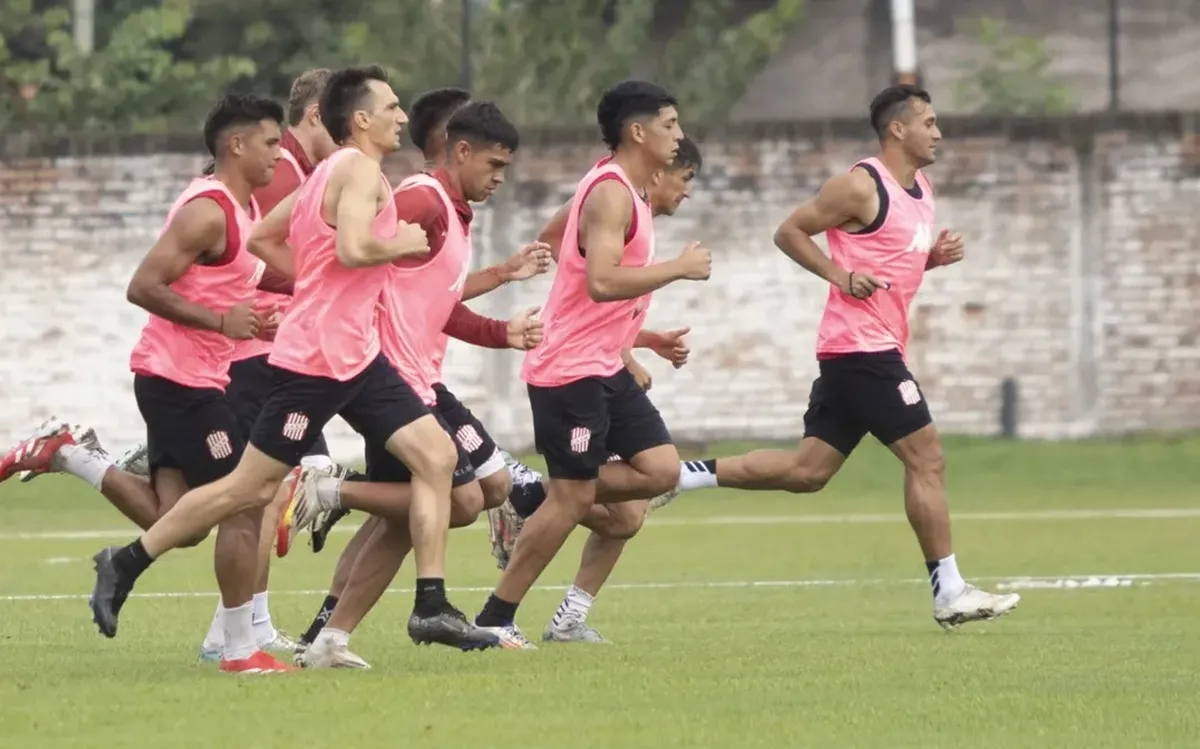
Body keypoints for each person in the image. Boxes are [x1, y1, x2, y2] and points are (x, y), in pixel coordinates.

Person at [85, 64, 499, 656]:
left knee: (436, 456)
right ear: (360, 119)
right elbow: (355, 248)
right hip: (318, 360)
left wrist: (320, 283)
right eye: (391, 107)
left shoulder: (329, 170)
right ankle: (124, 561)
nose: (402, 117)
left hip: (357, 355)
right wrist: (399, 245)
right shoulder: (355, 169)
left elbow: (264, 241)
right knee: (247, 489)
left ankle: (430, 604)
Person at [666, 84, 1020, 630]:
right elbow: (789, 232)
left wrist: (930, 261)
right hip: (863, 351)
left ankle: (680, 476)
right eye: (928, 122)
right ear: (897, 129)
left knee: (808, 471)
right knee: (926, 458)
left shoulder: (921, 188)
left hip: (862, 350)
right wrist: (839, 275)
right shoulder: (858, 185)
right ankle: (949, 591)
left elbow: (888, 265)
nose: (938, 132)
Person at [0, 93, 292, 672]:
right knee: (245, 501)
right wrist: (221, 321)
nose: (278, 156)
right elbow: (142, 285)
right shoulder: (209, 211)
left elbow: (236, 284)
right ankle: (235, 649)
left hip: (189, 376)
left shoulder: (243, 210)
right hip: (178, 381)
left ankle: (69, 454)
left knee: (174, 520)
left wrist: (278, 307)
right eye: (271, 143)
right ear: (236, 144)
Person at [282, 100, 553, 668]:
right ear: (458, 148)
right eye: (495, 163)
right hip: (393, 379)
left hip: (415, 377)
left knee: (414, 516)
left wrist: (503, 291)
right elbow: (354, 258)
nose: (500, 177)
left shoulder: (450, 209)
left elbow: (435, 302)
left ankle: (328, 636)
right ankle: (326, 492)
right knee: (466, 499)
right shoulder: (420, 197)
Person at [471, 80, 712, 648]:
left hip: (604, 365)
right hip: (568, 370)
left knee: (657, 474)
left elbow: (558, 242)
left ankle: (533, 496)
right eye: (671, 125)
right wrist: (677, 268)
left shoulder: (617, 189)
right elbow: (602, 281)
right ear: (639, 132)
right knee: (578, 497)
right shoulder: (609, 193)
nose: (679, 137)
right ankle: (494, 617)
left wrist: (632, 340)